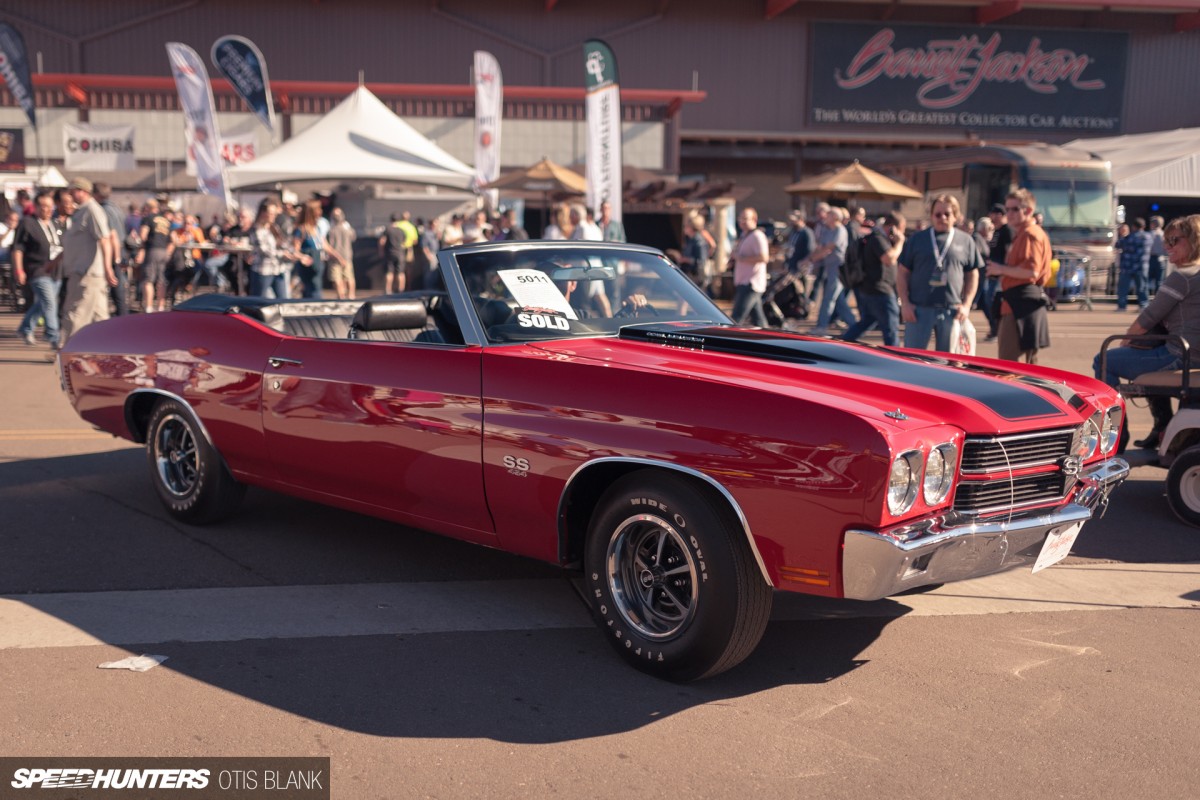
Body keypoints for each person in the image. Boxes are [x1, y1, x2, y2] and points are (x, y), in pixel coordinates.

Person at [1093, 215, 1200, 450]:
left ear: (1193, 242)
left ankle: (1115, 434)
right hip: (1190, 353)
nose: (1167, 246)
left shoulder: (1183, 277)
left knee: (1103, 360)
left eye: (1174, 240)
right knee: (1144, 358)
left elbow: (1147, 319)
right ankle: (1161, 425)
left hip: (1180, 355)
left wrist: (1126, 342)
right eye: (1166, 240)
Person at [897, 194, 983, 352]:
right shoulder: (917, 239)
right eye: (937, 214)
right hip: (919, 309)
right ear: (931, 216)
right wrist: (905, 304)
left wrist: (967, 304)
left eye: (947, 214)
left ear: (955, 216)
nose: (942, 217)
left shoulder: (966, 241)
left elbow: (973, 274)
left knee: (949, 360)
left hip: (952, 310)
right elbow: (902, 272)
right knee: (912, 358)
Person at [987, 189, 1051, 363]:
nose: (1009, 214)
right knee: (1025, 366)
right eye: (1007, 209)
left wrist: (1000, 269)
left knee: (1009, 365)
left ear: (1028, 210)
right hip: (1020, 303)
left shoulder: (1030, 234)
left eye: (1014, 209)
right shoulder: (1024, 233)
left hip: (1020, 304)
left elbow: (1032, 272)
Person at [59, 178, 116, 345]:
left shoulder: (92, 210)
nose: (70, 196)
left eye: (73, 192)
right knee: (100, 318)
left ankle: (69, 349)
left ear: (82, 191)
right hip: (86, 273)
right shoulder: (82, 211)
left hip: (87, 273)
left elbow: (105, 239)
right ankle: (107, 349)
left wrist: (108, 268)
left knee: (76, 314)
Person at [842, 212, 905, 346]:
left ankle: (842, 343)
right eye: (902, 229)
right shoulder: (878, 239)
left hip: (870, 290)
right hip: (880, 292)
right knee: (891, 330)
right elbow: (889, 259)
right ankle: (894, 356)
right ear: (893, 228)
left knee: (866, 322)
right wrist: (899, 243)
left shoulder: (876, 238)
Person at [13, 190, 63, 347]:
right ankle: (54, 337)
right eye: (42, 206)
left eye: (49, 206)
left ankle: (25, 328)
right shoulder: (27, 223)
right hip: (37, 269)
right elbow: (18, 249)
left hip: (56, 271)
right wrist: (19, 270)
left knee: (43, 303)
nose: (46, 210)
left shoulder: (56, 223)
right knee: (49, 302)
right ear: (35, 206)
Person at [809, 205, 856, 336]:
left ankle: (821, 327)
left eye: (829, 214)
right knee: (839, 301)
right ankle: (855, 326)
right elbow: (820, 247)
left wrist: (811, 259)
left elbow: (828, 248)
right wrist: (810, 257)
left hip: (838, 269)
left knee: (828, 298)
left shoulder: (840, 230)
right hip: (829, 268)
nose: (826, 216)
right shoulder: (828, 230)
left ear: (835, 217)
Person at [248, 197, 295, 299]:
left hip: (278, 269)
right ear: (263, 213)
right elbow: (263, 250)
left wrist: (294, 253)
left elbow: (283, 244)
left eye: (274, 213)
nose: (274, 216)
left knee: (282, 300)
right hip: (263, 270)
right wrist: (282, 254)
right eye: (271, 213)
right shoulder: (256, 229)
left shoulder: (274, 227)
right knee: (258, 300)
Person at [729, 207, 768, 326]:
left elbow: (764, 257)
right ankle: (767, 335)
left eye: (745, 219)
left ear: (754, 220)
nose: (742, 222)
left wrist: (741, 258)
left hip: (751, 283)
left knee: (736, 318)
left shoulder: (757, 236)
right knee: (758, 319)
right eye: (740, 219)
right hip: (743, 282)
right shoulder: (744, 235)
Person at [293, 199, 331, 299]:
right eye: (318, 209)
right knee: (312, 292)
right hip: (309, 268)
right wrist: (302, 257)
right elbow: (295, 250)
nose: (321, 211)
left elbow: (324, 245)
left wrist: (339, 257)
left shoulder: (316, 228)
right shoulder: (301, 230)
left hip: (318, 265)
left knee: (316, 289)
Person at [1116, 217, 1152, 311]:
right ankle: (1143, 305)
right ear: (1143, 226)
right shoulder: (1148, 237)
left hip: (1127, 266)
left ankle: (1122, 306)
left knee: (1123, 287)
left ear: (1133, 227)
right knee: (1142, 287)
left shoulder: (1129, 237)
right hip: (1141, 266)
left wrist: (1122, 234)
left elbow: (1118, 244)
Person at [678, 212, 710, 292]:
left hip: (696, 277)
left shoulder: (699, 241)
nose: (684, 228)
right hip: (690, 275)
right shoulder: (690, 240)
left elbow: (701, 261)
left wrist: (686, 260)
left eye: (686, 226)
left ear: (691, 227)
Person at [378, 213, 409, 294]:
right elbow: (404, 243)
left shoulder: (387, 230)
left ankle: (388, 290)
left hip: (390, 253)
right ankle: (401, 290)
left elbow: (382, 241)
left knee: (389, 272)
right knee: (401, 272)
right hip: (400, 253)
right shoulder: (401, 231)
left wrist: (381, 251)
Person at [1148, 215, 1166, 294]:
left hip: (1151, 258)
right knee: (1159, 281)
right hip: (1161, 259)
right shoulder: (1164, 234)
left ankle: (1146, 298)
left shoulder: (1149, 234)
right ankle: (1158, 298)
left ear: (1152, 224)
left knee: (1147, 280)